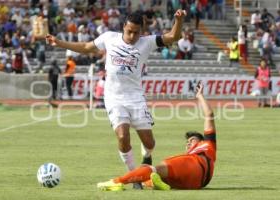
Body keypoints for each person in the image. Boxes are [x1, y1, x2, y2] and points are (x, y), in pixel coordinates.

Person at [46, 9, 186, 189]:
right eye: (129, 31)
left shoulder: (147, 42)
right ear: (123, 28)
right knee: (122, 135)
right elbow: (86, 47)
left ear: (142, 31)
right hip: (114, 97)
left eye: (137, 32)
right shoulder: (109, 37)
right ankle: (134, 175)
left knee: (149, 142)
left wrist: (179, 20)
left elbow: (173, 36)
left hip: (135, 97)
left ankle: (146, 156)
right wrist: (59, 43)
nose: (133, 36)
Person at [97, 82, 217, 191]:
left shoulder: (207, 145)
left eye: (192, 140)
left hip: (195, 166)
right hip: (196, 184)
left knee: (154, 169)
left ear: (202, 141)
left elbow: (209, 115)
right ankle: (155, 183)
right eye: (188, 142)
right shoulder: (196, 153)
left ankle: (117, 182)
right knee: (155, 176)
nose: (188, 143)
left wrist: (199, 96)